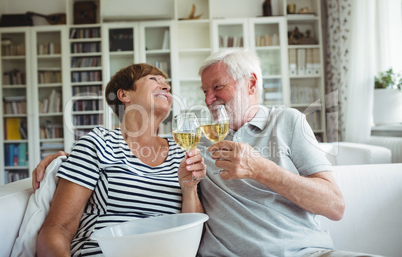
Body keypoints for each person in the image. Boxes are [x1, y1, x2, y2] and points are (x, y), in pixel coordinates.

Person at [34, 50, 377, 256]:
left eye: (218, 88)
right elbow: (60, 226)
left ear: (251, 84)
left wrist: (260, 168)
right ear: (124, 96)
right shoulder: (192, 142)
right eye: (204, 91)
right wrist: (62, 159)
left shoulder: (283, 122)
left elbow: (335, 205)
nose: (209, 99)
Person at [36, 63, 206, 256]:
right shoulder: (98, 143)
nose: (166, 87)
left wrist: (189, 188)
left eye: (166, 84)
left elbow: (192, 231)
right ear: (124, 95)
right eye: (154, 80)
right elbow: (58, 229)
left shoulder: (181, 152)